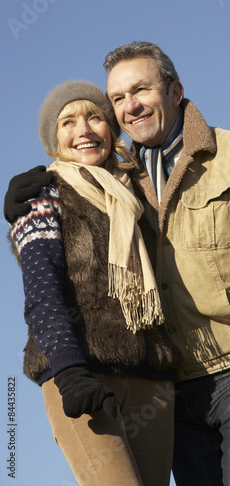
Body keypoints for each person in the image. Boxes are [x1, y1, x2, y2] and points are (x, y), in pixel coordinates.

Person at [4, 43, 230, 486]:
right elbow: (74, 184)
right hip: (173, 382)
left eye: (141, 90)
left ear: (175, 91)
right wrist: (29, 186)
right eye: (117, 99)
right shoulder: (121, 183)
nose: (130, 106)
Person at [7, 80, 179, 486]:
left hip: (152, 382)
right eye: (68, 122)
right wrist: (69, 371)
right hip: (83, 374)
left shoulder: (138, 193)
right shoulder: (42, 195)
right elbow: (42, 292)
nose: (83, 130)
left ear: (111, 129)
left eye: (94, 117)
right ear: (54, 139)